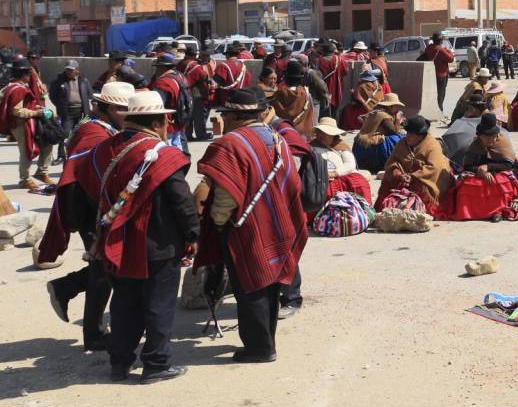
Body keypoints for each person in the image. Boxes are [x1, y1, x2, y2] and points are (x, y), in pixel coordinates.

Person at [195, 88, 307, 363]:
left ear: (234, 115)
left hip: (244, 226)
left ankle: (259, 348)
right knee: (270, 284)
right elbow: (292, 181)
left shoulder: (229, 144)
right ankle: (267, 339)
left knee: (250, 284)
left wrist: (219, 223)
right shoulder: (278, 139)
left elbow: (226, 194)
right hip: (277, 222)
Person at [95, 91, 200, 383]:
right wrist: (193, 233)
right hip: (158, 242)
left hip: (119, 240)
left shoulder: (107, 148)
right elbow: (181, 200)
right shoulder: (161, 154)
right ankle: (156, 364)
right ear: (157, 122)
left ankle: (120, 363)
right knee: (159, 304)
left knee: (124, 304)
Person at [40, 82, 135, 351]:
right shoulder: (94, 133)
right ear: (111, 108)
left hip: (99, 206)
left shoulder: (102, 128)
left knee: (105, 265)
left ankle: (66, 288)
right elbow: (89, 175)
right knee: (105, 268)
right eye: (125, 110)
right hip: (92, 209)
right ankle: (93, 333)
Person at [440, 113, 518, 221]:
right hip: (480, 174)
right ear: (480, 135)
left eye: (493, 137)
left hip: (502, 171)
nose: (490, 140)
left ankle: (498, 210)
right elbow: (467, 167)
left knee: (499, 183)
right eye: (486, 137)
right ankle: (473, 213)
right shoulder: (475, 145)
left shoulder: (502, 142)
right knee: (466, 184)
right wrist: (481, 171)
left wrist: (488, 167)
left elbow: (508, 164)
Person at [376, 114, 455, 212]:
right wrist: (398, 173)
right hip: (404, 180)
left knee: (419, 184)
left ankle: (424, 207)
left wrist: (413, 177)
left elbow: (435, 167)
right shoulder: (402, 144)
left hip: (425, 181)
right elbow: (392, 162)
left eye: (411, 134)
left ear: (420, 135)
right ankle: (386, 205)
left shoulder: (432, 146)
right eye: (407, 132)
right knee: (389, 176)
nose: (407, 136)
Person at [1, 58, 55, 188]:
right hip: (21, 125)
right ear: (23, 75)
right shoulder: (18, 89)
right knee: (27, 151)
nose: (30, 76)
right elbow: (17, 111)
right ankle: (24, 179)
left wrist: (36, 108)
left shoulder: (12, 87)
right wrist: (36, 113)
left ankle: (42, 172)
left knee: (48, 143)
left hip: (30, 122)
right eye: (28, 74)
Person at [311, 117, 370, 203]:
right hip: (322, 180)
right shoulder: (311, 147)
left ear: (333, 135)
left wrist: (334, 173)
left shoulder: (341, 146)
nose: (321, 135)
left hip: (342, 176)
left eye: (325, 133)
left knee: (359, 182)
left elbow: (350, 164)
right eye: (320, 132)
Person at [50, 61, 91, 162]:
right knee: (65, 133)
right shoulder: (58, 81)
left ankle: (79, 155)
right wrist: (60, 106)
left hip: (82, 111)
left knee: (82, 133)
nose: (68, 71)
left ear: (77, 70)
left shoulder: (83, 80)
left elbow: (89, 93)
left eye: (71, 70)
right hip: (67, 112)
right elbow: (53, 96)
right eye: (67, 69)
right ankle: (61, 155)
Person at [353, 92, 406, 172]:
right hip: (371, 144)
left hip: (361, 143)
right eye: (396, 106)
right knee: (397, 138)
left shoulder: (377, 112)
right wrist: (398, 120)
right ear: (391, 106)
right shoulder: (383, 115)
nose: (397, 109)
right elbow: (394, 131)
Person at [270, 61, 317, 137]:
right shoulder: (306, 95)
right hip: (301, 136)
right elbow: (311, 117)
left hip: (282, 134)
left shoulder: (278, 95)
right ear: (300, 79)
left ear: (286, 78)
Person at [417, 33, 454, 111]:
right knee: (441, 94)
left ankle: (431, 110)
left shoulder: (429, 48)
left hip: (431, 74)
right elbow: (451, 59)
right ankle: (439, 111)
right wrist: (448, 50)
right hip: (441, 75)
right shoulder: (441, 50)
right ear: (441, 41)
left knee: (432, 94)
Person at [185, 50, 215, 140]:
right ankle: (201, 134)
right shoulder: (194, 65)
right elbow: (203, 76)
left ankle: (188, 135)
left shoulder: (181, 64)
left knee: (188, 115)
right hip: (195, 93)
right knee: (198, 116)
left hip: (184, 92)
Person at [314, 41, 345, 119]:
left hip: (324, 91)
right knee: (335, 113)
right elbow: (346, 71)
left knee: (324, 115)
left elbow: (317, 76)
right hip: (337, 91)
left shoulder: (319, 61)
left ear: (323, 51)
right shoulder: (339, 59)